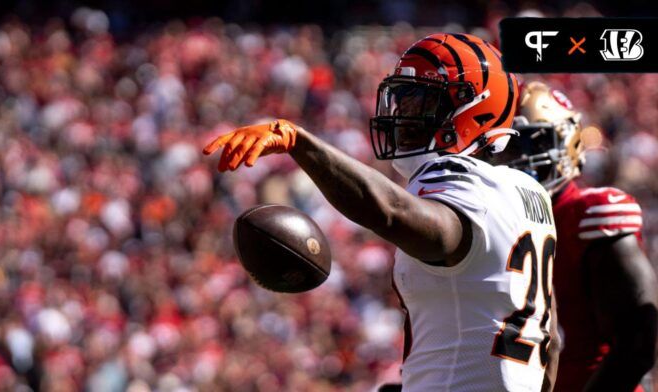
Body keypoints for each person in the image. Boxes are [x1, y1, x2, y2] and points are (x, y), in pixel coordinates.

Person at [203, 33, 559, 391]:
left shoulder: (460, 182)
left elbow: (397, 213)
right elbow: (551, 341)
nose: (402, 117)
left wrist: (302, 144)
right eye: (400, 101)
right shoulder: (528, 193)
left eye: (420, 102)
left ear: (474, 107)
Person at [508, 81, 658, 392]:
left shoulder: (589, 215)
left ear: (567, 144)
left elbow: (638, 343)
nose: (518, 160)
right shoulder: (493, 220)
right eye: (507, 148)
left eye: (532, 145)